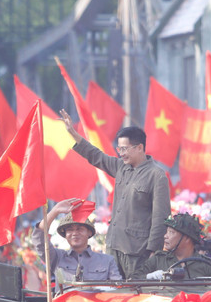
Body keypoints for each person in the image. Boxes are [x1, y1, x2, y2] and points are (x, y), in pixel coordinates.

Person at [60, 113, 169, 279]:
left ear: (139, 147)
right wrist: (74, 134)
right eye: (119, 149)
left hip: (138, 252)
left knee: (136, 293)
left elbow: (160, 217)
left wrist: (154, 252)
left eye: (124, 149)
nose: (121, 153)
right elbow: (96, 156)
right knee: (112, 293)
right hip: (113, 247)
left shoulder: (156, 175)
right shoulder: (121, 168)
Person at [31, 198, 121, 282]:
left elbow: (117, 290)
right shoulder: (57, 258)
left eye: (79, 229)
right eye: (70, 229)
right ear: (65, 235)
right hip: (66, 299)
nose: (74, 233)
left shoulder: (107, 261)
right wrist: (55, 211)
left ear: (89, 232)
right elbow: (39, 240)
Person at [133, 213, 211, 280]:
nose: (165, 236)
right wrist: (149, 277)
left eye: (171, 232)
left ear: (187, 238)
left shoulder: (206, 264)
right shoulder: (158, 260)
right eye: (167, 232)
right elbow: (133, 279)